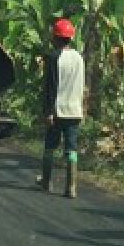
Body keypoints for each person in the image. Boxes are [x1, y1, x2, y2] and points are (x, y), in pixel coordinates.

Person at [38, 17, 84, 198]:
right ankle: (71, 187)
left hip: (58, 111)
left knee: (50, 146)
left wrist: (48, 111)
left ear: (56, 38)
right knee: (71, 149)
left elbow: (50, 87)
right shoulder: (79, 57)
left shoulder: (53, 58)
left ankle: (46, 181)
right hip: (74, 110)